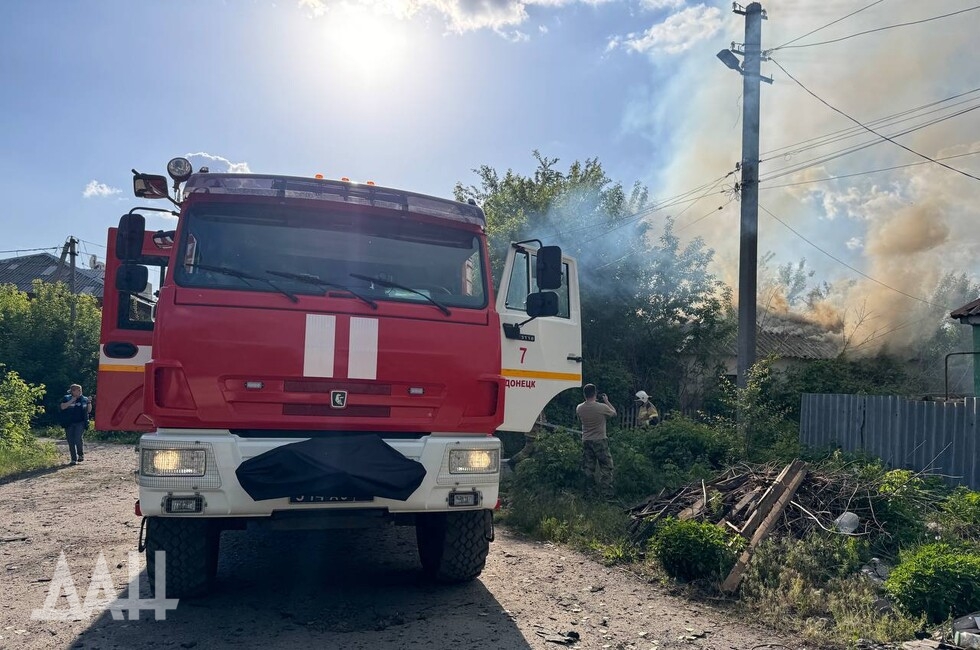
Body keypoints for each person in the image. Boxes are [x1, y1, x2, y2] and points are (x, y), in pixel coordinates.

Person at [575, 384, 616, 499]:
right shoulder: (602, 407)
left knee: (588, 468)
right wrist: (606, 401)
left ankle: (589, 493)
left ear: (584, 394)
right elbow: (614, 413)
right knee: (606, 466)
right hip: (600, 440)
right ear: (595, 393)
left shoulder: (579, 408)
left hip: (586, 440)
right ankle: (605, 493)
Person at [59, 384, 91, 465]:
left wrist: (89, 402)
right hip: (69, 423)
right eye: (78, 390)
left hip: (80, 422)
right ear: (73, 391)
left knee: (78, 438)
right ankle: (73, 459)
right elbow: (62, 407)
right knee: (71, 441)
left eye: (80, 390)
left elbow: (89, 410)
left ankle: (80, 455)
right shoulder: (66, 398)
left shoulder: (84, 399)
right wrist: (72, 400)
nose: (80, 392)